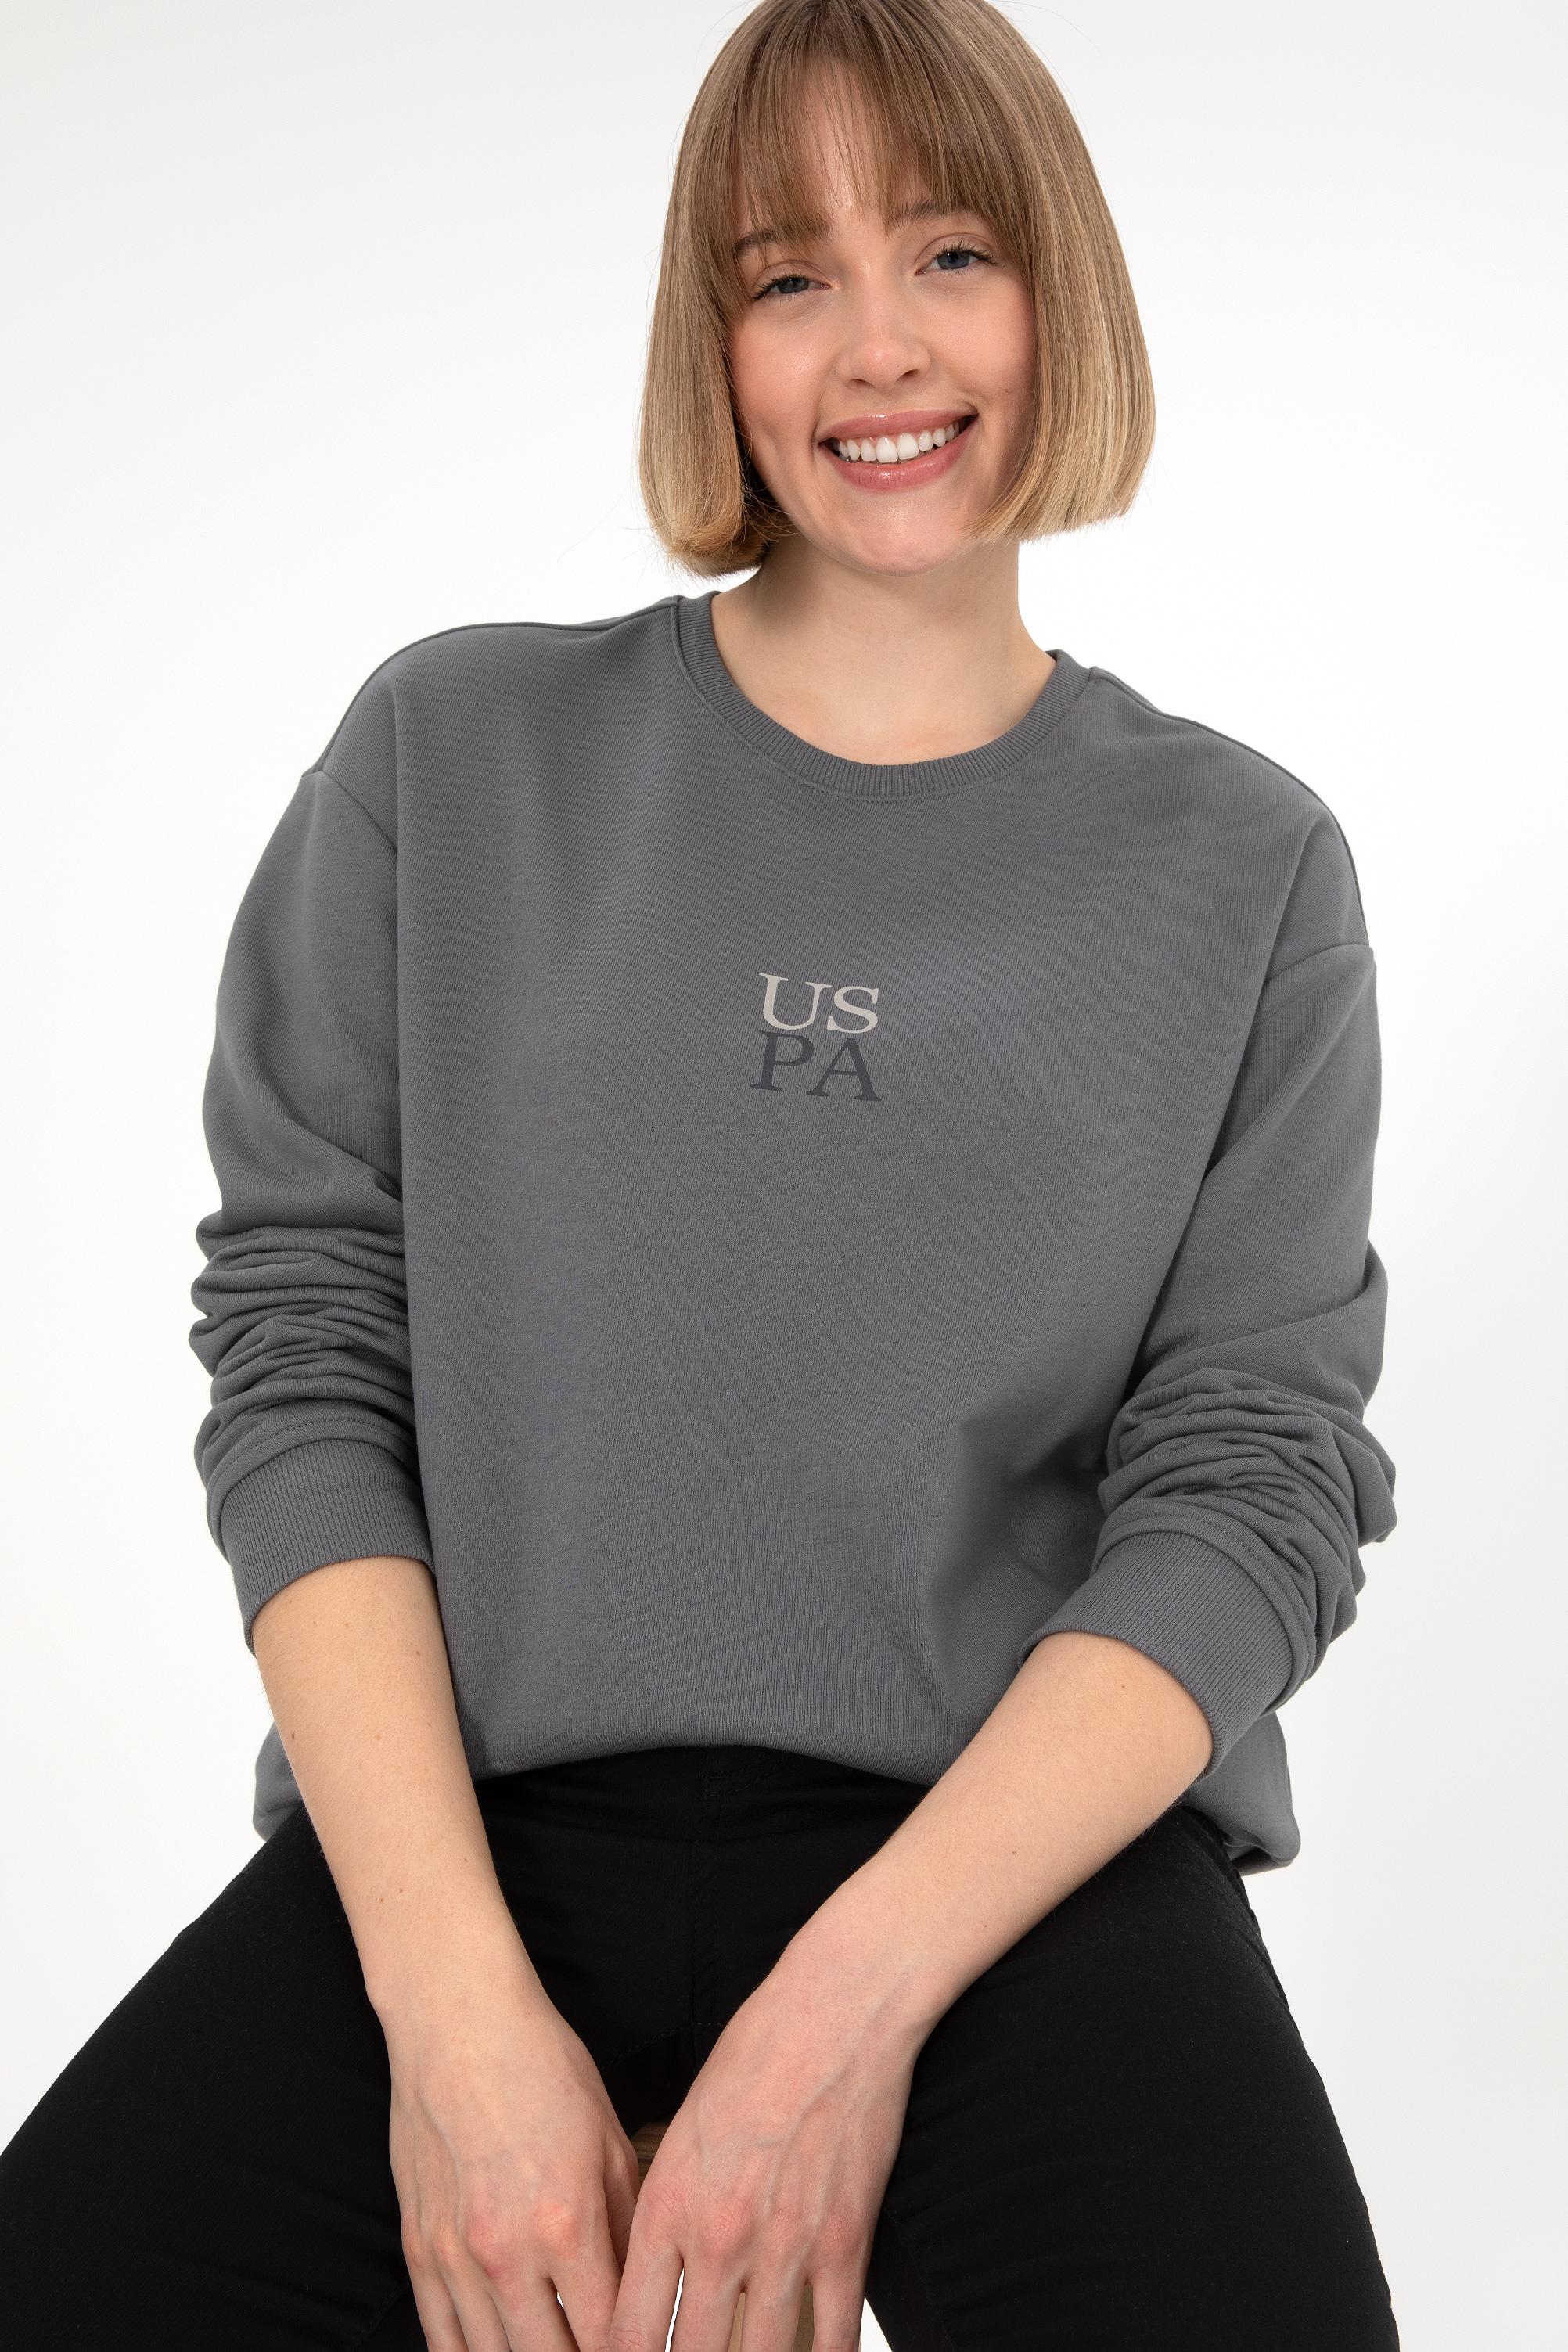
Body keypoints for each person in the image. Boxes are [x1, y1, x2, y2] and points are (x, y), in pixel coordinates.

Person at [0, 1, 1402, 2345]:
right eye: (788, 276)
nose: (880, 347)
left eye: (950, 253)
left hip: (1007, 1878)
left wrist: (838, 2019)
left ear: (1055, 289)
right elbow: (308, 1359)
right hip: (473, 1842)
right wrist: (454, 2023)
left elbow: (1255, 1482)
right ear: (713, 341)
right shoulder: (451, 751)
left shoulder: (1244, 865)